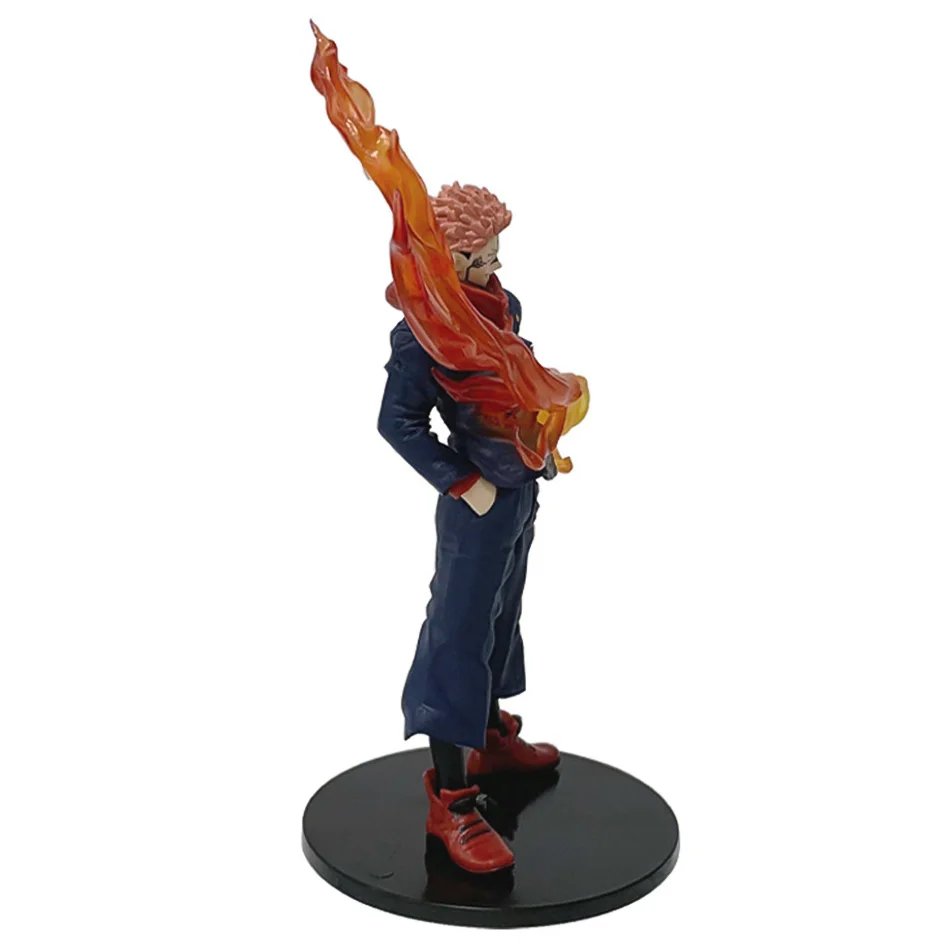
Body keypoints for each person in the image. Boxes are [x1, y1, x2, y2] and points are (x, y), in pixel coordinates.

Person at [378, 183, 560, 874]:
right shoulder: (422, 335)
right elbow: (397, 423)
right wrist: (463, 481)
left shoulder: (503, 309)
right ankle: (450, 798)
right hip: (477, 500)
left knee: (501, 615)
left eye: (494, 254)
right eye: (479, 258)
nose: (494, 267)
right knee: (456, 635)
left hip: (519, 489)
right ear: (445, 262)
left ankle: (487, 736)